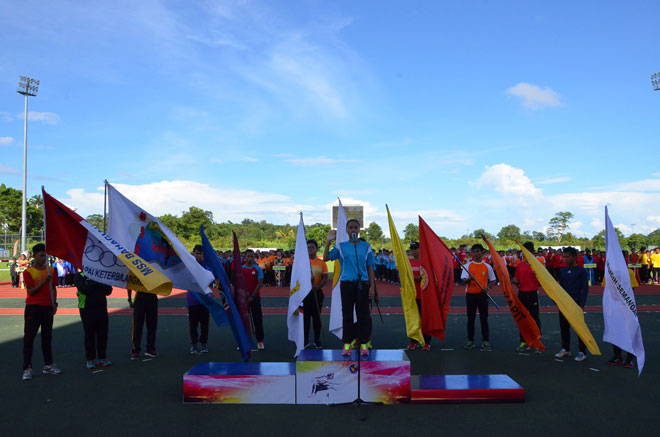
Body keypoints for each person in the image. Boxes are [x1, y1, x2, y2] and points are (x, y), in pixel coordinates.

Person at [324, 219, 376, 356]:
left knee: (363, 315)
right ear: (346, 230)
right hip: (347, 284)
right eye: (350, 227)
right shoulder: (341, 246)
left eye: (355, 228)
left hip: (363, 284)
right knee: (347, 314)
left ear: (359, 230)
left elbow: (370, 267)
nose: (353, 230)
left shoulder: (366, 246)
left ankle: (364, 343)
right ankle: (347, 343)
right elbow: (325, 258)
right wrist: (328, 241)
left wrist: (372, 287)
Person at [22, 243, 61, 380]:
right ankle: (27, 368)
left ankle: (48, 365)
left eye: (45, 255)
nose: (43, 258)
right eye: (41, 255)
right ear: (34, 256)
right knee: (29, 338)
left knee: (47, 337)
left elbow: (53, 288)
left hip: (47, 308)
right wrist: (44, 281)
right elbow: (31, 292)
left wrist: (54, 303)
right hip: (33, 308)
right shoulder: (28, 272)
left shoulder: (51, 270)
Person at [554, 247, 590, 362]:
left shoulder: (581, 271)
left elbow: (585, 289)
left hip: (576, 304)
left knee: (579, 328)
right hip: (564, 305)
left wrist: (582, 304)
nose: (565, 259)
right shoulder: (562, 271)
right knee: (564, 327)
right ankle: (565, 349)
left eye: (567, 256)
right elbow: (559, 286)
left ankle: (582, 351)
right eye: (564, 257)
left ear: (574, 257)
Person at [461, 244, 497, 351]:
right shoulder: (467, 266)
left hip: (482, 295)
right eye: (474, 251)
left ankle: (485, 341)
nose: (476, 254)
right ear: (472, 253)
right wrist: (469, 279)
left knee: (483, 318)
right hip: (470, 295)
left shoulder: (487, 266)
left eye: (478, 251)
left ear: (482, 252)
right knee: (470, 318)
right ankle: (470, 340)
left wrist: (488, 288)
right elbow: (463, 280)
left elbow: (493, 280)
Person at [75, 272, 113, 369]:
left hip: (101, 308)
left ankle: (102, 357)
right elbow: (85, 289)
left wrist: (99, 279)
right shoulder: (80, 276)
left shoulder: (101, 274)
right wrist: (96, 280)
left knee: (103, 334)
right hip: (86, 309)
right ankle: (90, 358)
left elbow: (108, 291)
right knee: (89, 335)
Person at [512, 242, 542, 353]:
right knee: (522, 319)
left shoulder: (538, 265)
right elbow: (517, 281)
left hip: (533, 294)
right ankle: (523, 342)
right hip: (522, 294)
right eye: (524, 251)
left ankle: (537, 343)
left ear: (532, 252)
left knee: (535, 319)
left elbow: (541, 282)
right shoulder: (519, 265)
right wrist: (515, 282)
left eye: (528, 251)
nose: (526, 253)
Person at [407, 242, 432, 351]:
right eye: (412, 249)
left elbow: (426, 278)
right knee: (413, 319)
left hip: (424, 295)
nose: (413, 251)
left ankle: (426, 342)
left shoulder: (424, 263)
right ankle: (414, 341)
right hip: (412, 295)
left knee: (425, 320)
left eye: (415, 248)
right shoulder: (408, 262)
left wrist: (414, 278)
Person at [303, 240, 328, 349]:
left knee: (316, 318)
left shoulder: (321, 263)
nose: (310, 250)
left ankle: (317, 339)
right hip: (305, 294)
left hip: (317, 293)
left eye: (312, 247)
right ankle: (305, 340)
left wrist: (317, 287)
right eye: (308, 247)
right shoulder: (302, 263)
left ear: (316, 249)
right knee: (305, 318)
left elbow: (325, 278)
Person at [187, 245, 210, 355]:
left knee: (204, 324)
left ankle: (204, 343)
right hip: (192, 300)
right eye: (197, 253)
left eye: (201, 254)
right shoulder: (188, 266)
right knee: (193, 325)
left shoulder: (206, 266)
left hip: (205, 300)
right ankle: (194, 345)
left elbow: (210, 280)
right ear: (193, 253)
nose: (198, 256)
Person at [128, 287, 159, 360]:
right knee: (137, 325)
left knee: (152, 324)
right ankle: (135, 350)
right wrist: (129, 299)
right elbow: (130, 283)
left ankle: (150, 349)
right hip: (140, 297)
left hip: (152, 296)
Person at [243, 249, 265, 350]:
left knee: (257, 320)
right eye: (248, 256)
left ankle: (259, 341)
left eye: (252, 256)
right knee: (244, 320)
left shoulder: (258, 269)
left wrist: (252, 296)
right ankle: (245, 340)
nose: (250, 258)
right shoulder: (241, 269)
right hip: (244, 299)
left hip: (255, 298)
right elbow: (238, 283)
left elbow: (259, 283)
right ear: (245, 257)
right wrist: (244, 293)